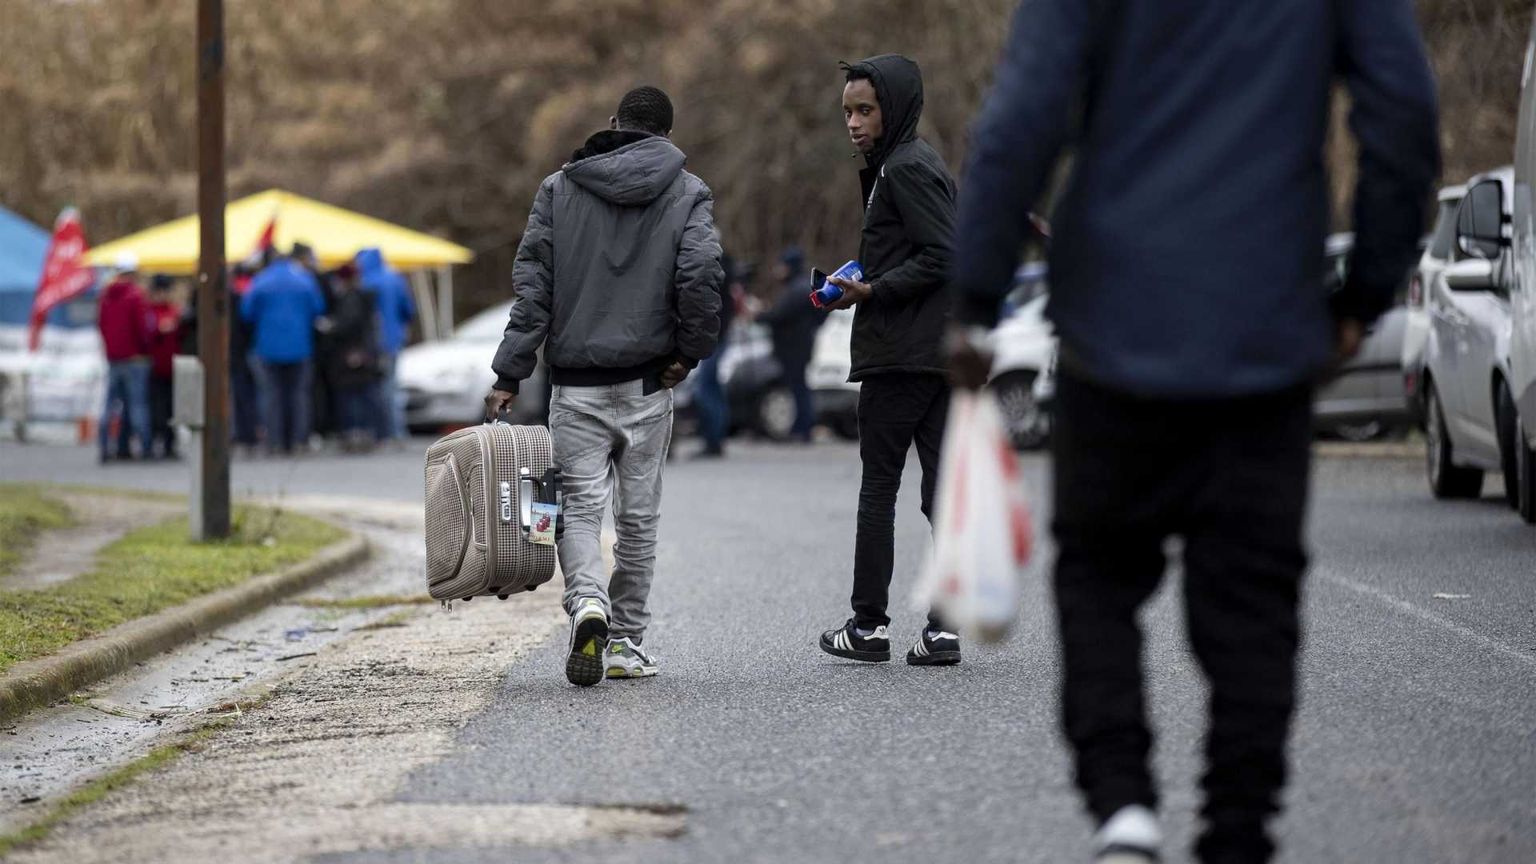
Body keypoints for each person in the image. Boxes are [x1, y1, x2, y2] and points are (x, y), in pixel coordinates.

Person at [947, 2, 1439, 862]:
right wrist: (1363, 292)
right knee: (1252, 604)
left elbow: (1025, 114)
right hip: (1265, 327)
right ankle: (1238, 832)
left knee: (1099, 574)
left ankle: (1122, 810)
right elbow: (1401, 113)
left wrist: (976, 296)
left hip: (1113, 325)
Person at [485, 85, 723, 687]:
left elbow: (532, 287)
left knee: (581, 512)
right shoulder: (688, 191)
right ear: (666, 135)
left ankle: (587, 602)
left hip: (576, 386)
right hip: (648, 382)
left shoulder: (559, 190)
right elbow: (699, 275)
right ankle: (625, 642)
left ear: (613, 123)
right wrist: (689, 354)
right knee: (639, 519)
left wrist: (510, 372)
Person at [814, 55, 960, 668]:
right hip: (932, 355)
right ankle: (945, 629)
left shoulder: (905, 168)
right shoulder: (898, 167)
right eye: (847, 110)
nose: (853, 122)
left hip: (904, 358)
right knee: (942, 496)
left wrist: (872, 292)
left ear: (892, 110)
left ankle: (869, 627)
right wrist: (859, 279)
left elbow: (946, 255)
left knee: (880, 491)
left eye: (865, 110)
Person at [242, 247, 326, 456]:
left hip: (267, 347)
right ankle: (299, 440)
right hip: (300, 347)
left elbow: (246, 312)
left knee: (271, 396)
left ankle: (275, 441)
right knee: (299, 396)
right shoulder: (305, 280)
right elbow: (318, 308)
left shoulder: (261, 281)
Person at [757, 246, 823, 443]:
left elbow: (779, 315)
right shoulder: (804, 287)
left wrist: (759, 315)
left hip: (794, 348)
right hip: (799, 346)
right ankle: (802, 426)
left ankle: (803, 428)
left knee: (798, 388)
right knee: (798, 386)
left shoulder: (796, 289)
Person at [356, 248, 416, 446]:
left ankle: (380, 432)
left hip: (370, 343)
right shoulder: (394, 278)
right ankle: (397, 431)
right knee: (391, 387)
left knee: (374, 389)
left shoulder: (364, 281)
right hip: (393, 340)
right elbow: (408, 309)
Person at [96, 254, 153, 462]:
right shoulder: (135, 296)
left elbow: (101, 325)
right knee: (138, 404)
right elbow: (143, 328)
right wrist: (144, 349)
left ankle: (105, 445)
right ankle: (145, 447)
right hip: (135, 358)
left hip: (113, 357)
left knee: (110, 404)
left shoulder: (105, 296)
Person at [323, 263, 382, 452]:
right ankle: (365, 433)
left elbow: (348, 325)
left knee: (351, 397)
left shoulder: (350, 299)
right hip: (362, 352)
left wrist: (331, 327)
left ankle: (355, 434)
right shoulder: (364, 296)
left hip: (350, 354)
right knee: (362, 394)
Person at [691, 253, 739, 458]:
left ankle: (713, 440)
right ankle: (716, 439)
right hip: (718, 337)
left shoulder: (713, 275)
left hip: (714, 338)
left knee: (705, 391)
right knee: (713, 390)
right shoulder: (725, 274)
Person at [145, 275, 183, 459]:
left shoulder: (174, 311)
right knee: (156, 408)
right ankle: (154, 441)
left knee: (172, 408)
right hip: (155, 367)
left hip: (172, 367)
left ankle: (170, 443)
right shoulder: (149, 312)